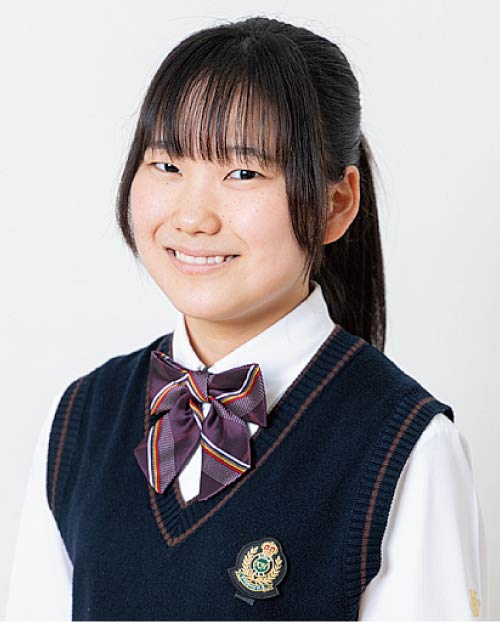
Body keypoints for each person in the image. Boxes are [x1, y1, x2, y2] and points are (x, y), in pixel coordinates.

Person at [6, 15, 488, 621]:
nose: (193, 217)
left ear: (336, 203)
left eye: (243, 173)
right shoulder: (81, 419)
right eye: (167, 165)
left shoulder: (407, 446)